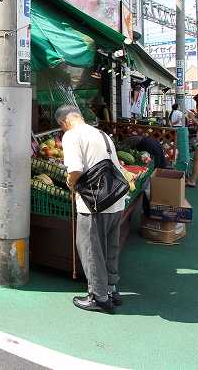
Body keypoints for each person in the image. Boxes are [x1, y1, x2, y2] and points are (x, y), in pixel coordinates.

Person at [57, 105, 124, 314]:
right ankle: (111, 289)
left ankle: (99, 297)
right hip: (116, 200)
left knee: (90, 249)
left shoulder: (71, 136)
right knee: (109, 248)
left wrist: (70, 182)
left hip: (94, 204)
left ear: (64, 122)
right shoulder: (101, 133)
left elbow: (75, 169)